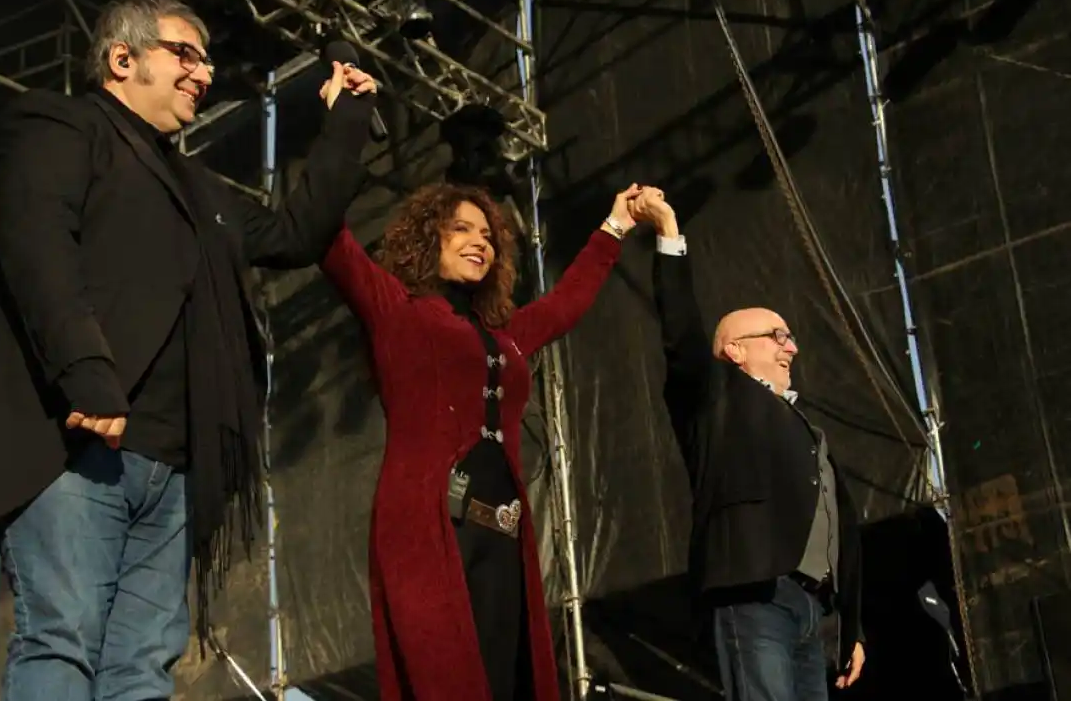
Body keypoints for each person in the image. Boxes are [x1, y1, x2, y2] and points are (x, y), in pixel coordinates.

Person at [0, 0, 376, 701]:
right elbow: (37, 248)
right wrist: (85, 372)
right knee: (64, 638)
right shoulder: (60, 126)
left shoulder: (201, 190)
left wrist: (346, 120)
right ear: (121, 58)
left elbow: (297, 233)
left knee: (143, 667)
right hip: (79, 445)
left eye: (207, 60)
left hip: (174, 463)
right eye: (185, 53)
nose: (204, 73)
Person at [317, 182, 645, 700]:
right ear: (429, 239)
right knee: (447, 678)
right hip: (430, 527)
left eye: (489, 235)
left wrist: (615, 226)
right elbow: (326, 233)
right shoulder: (395, 308)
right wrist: (345, 117)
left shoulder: (505, 332)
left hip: (502, 535)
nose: (481, 242)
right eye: (462, 229)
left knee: (506, 676)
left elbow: (565, 305)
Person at [636, 187, 867, 701]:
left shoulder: (804, 427)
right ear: (736, 351)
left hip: (814, 609)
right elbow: (681, 334)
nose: (792, 346)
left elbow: (841, 524)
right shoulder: (715, 394)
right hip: (755, 594)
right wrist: (669, 233)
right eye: (778, 335)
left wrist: (853, 623)